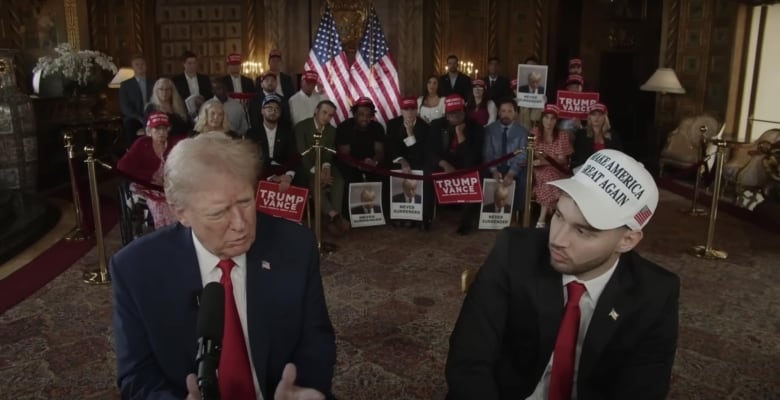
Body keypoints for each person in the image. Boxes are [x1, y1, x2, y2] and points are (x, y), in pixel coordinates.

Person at [111, 135, 336, 400]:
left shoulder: (296, 245)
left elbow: (316, 341)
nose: (240, 224)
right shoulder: (136, 268)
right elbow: (136, 375)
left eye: (245, 202)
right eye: (218, 213)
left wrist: (303, 389)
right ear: (179, 211)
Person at [446, 149, 679, 400]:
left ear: (627, 240)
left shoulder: (656, 293)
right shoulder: (514, 252)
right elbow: (468, 360)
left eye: (582, 231)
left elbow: (643, 390)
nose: (557, 240)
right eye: (558, 215)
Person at [428, 94, 484, 235]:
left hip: (465, 164)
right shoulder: (436, 125)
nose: (455, 116)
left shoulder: (476, 128)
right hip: (444, 163)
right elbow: (430, 151)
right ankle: (426, 218)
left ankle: (466, 222)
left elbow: (472, 158)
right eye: (451, 113)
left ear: (464, 112)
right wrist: (444, 164)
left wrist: (460, 134)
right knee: (427, 170)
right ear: (446, 114)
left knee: (473, 174)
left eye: (458, 112)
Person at [117, 112, 183, 228]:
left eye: (164, 129)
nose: (161, 133)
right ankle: (164, 233)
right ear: (149, 131)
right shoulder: (142, 143)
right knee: (159, 205)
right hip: (146, 185)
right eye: (157, 129)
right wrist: (150, 176)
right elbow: (122, 166)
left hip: (170, 186)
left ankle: (179, 231)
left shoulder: (174, 143)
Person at [294, 100, 350, 237]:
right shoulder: (301, 126)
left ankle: (331, 219)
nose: (327, 117)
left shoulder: (331, 130)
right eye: (324, 112)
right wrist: (317, 172)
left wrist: (326, 168)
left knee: (338, 180)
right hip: (307, 165)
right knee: (315, 182)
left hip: (324, 163)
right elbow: (302, 153)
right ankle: (334, 215)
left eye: (330, 115)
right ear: (316, 111)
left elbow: (329, 152)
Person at [483, 98, 529, 216]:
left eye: (509, 111)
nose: (506, 114)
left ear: (515, 113)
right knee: (481, 174)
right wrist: (493, 170)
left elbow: (523, 154)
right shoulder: (490, 129)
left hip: (514, 166)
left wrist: (511, 173)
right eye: (503, 111)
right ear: (498, 112)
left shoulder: (523, 131)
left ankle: (516, 212)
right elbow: (488, 152)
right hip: (495, 165)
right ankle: (485, 211)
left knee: (524, 179)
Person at [533, 104, 574, 228]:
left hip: (559, 170)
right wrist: (547, 160)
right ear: (542, 118)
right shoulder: (534, 132)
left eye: (553, 118)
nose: (549, 121)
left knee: (549, 175)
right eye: (546, 117)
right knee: (547, 174)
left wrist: (544, 161)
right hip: (540, 170)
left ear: (557, 121)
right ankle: (558, 210)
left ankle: (542, 218)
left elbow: (562, 161)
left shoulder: (563, 135)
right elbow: (535, 155)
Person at [245, 94, 298, 190]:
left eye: (277, 109)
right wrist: (271, 177)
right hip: (261, 171)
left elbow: (293, 156)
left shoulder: (287, 132)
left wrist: (288, 176)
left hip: (283, 170)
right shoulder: (252, 133)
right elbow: (251, 160)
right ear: (262, 111)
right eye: (269, 108)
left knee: (301, 176)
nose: (273, 111)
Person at [572, 103, 623, 168]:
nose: (597, 118)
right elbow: (579, 157)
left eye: (600, 115)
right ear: (589, 117)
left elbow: (619, 155)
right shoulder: (581, 134)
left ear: (605, 117)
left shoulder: (613, 135)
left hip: (607, 169)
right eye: (594, 115)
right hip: (586, 169)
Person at [119, 54, 154, 148]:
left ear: (146, 66)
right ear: (132, 67)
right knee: (130, 127)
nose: (140, 67)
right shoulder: (125, 85)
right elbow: (125, 107)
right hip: (133, 118)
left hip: (151, 116)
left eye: (142, 64)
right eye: (137, 64)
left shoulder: (153, 83)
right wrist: (139, 117)